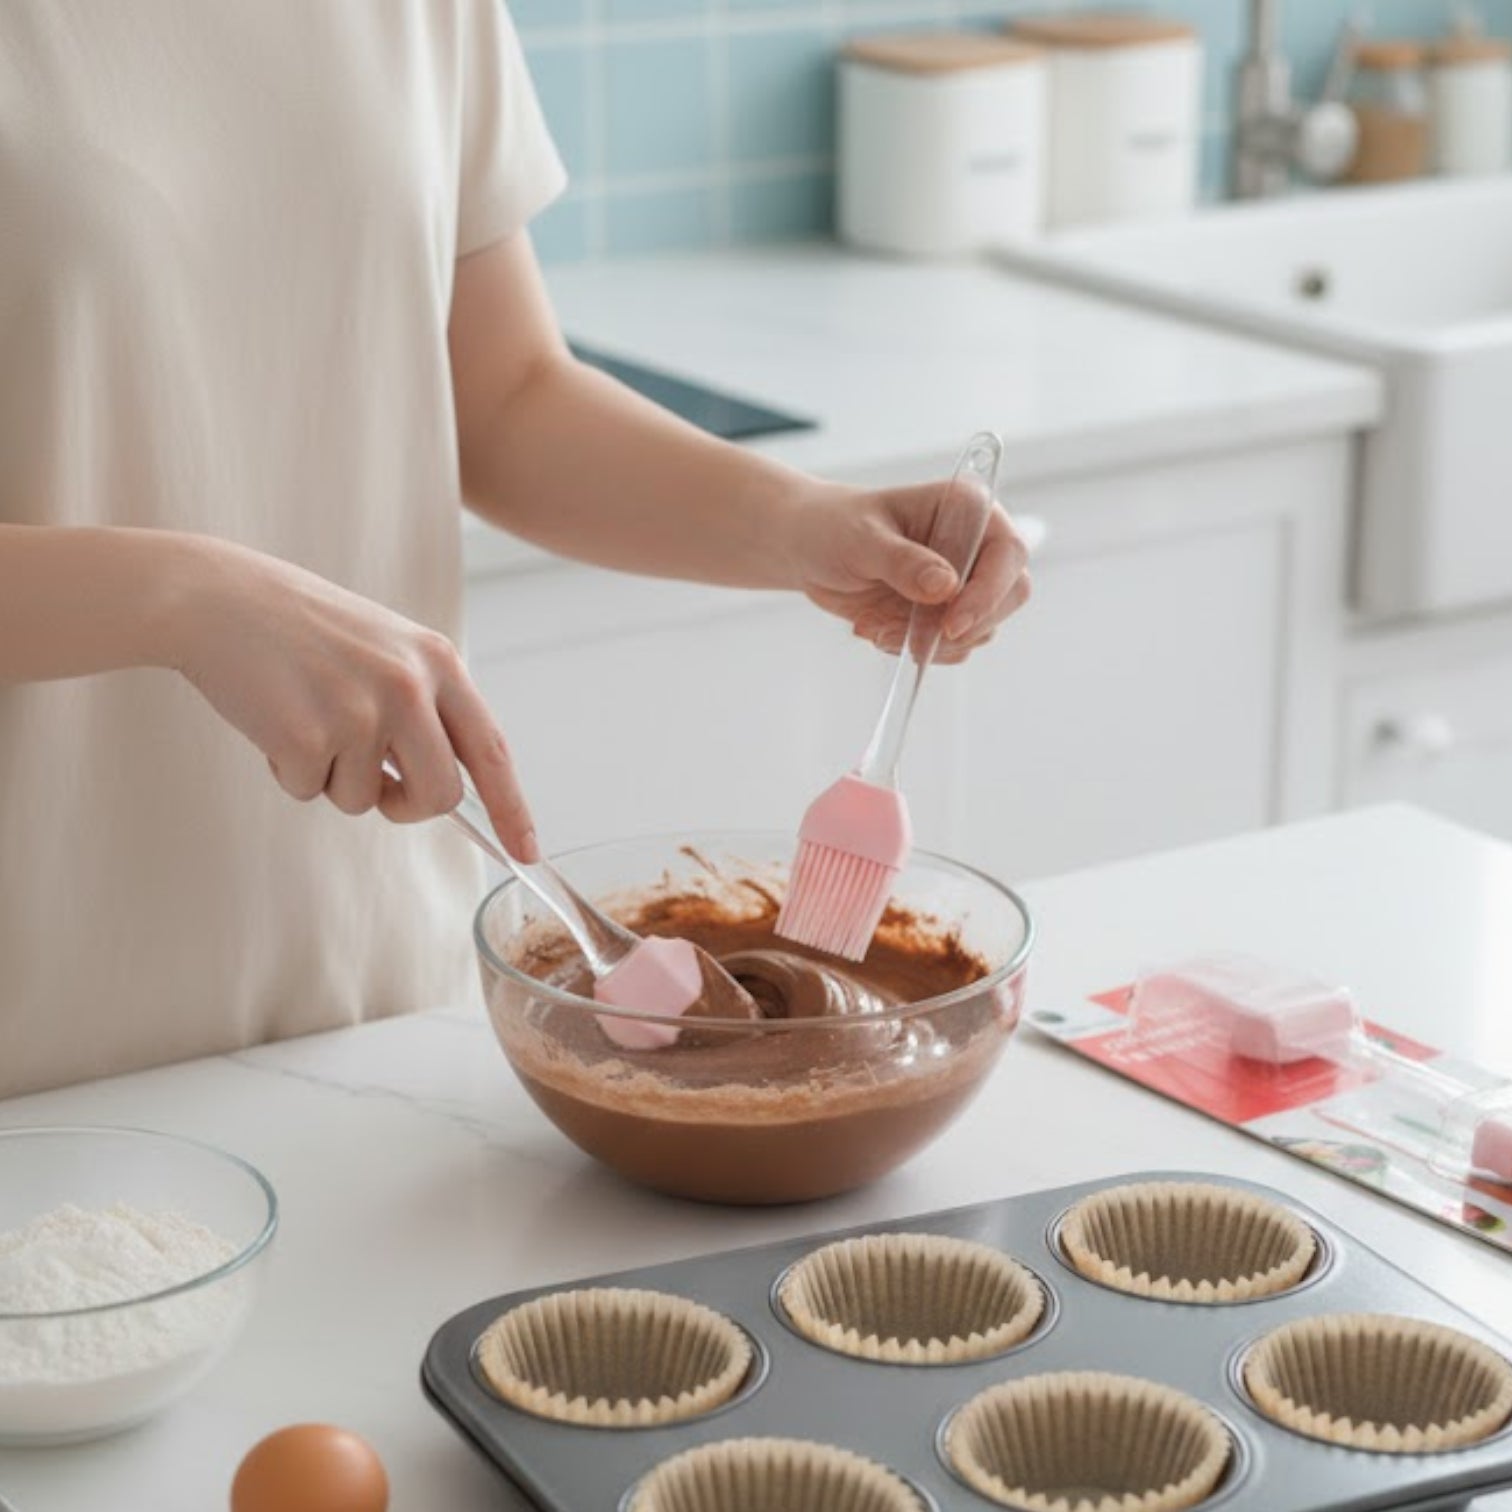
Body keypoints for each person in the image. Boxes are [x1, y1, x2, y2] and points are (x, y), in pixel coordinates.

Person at [0, 2, 1030, 1099]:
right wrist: (184, 595)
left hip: (374, 996)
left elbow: (503, 394)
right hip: (41, 1033)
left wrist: (801, 525)